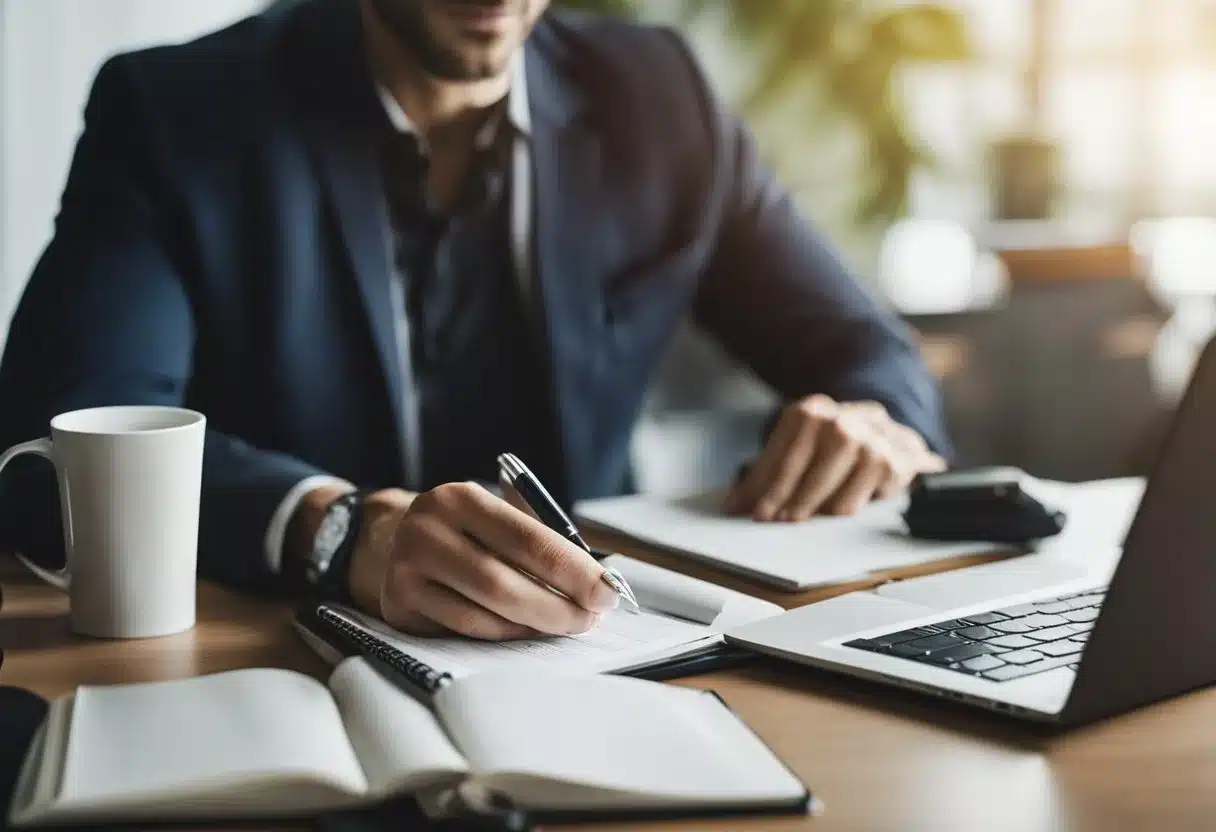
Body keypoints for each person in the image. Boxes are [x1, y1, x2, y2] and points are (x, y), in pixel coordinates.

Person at [0, 0, 949, 641]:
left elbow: (867, 351)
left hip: (598, 661)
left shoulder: (659, 92)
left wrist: (872, 421)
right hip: (276, 662)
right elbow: (66, 445)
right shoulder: (176, 113)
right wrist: (339, 532)